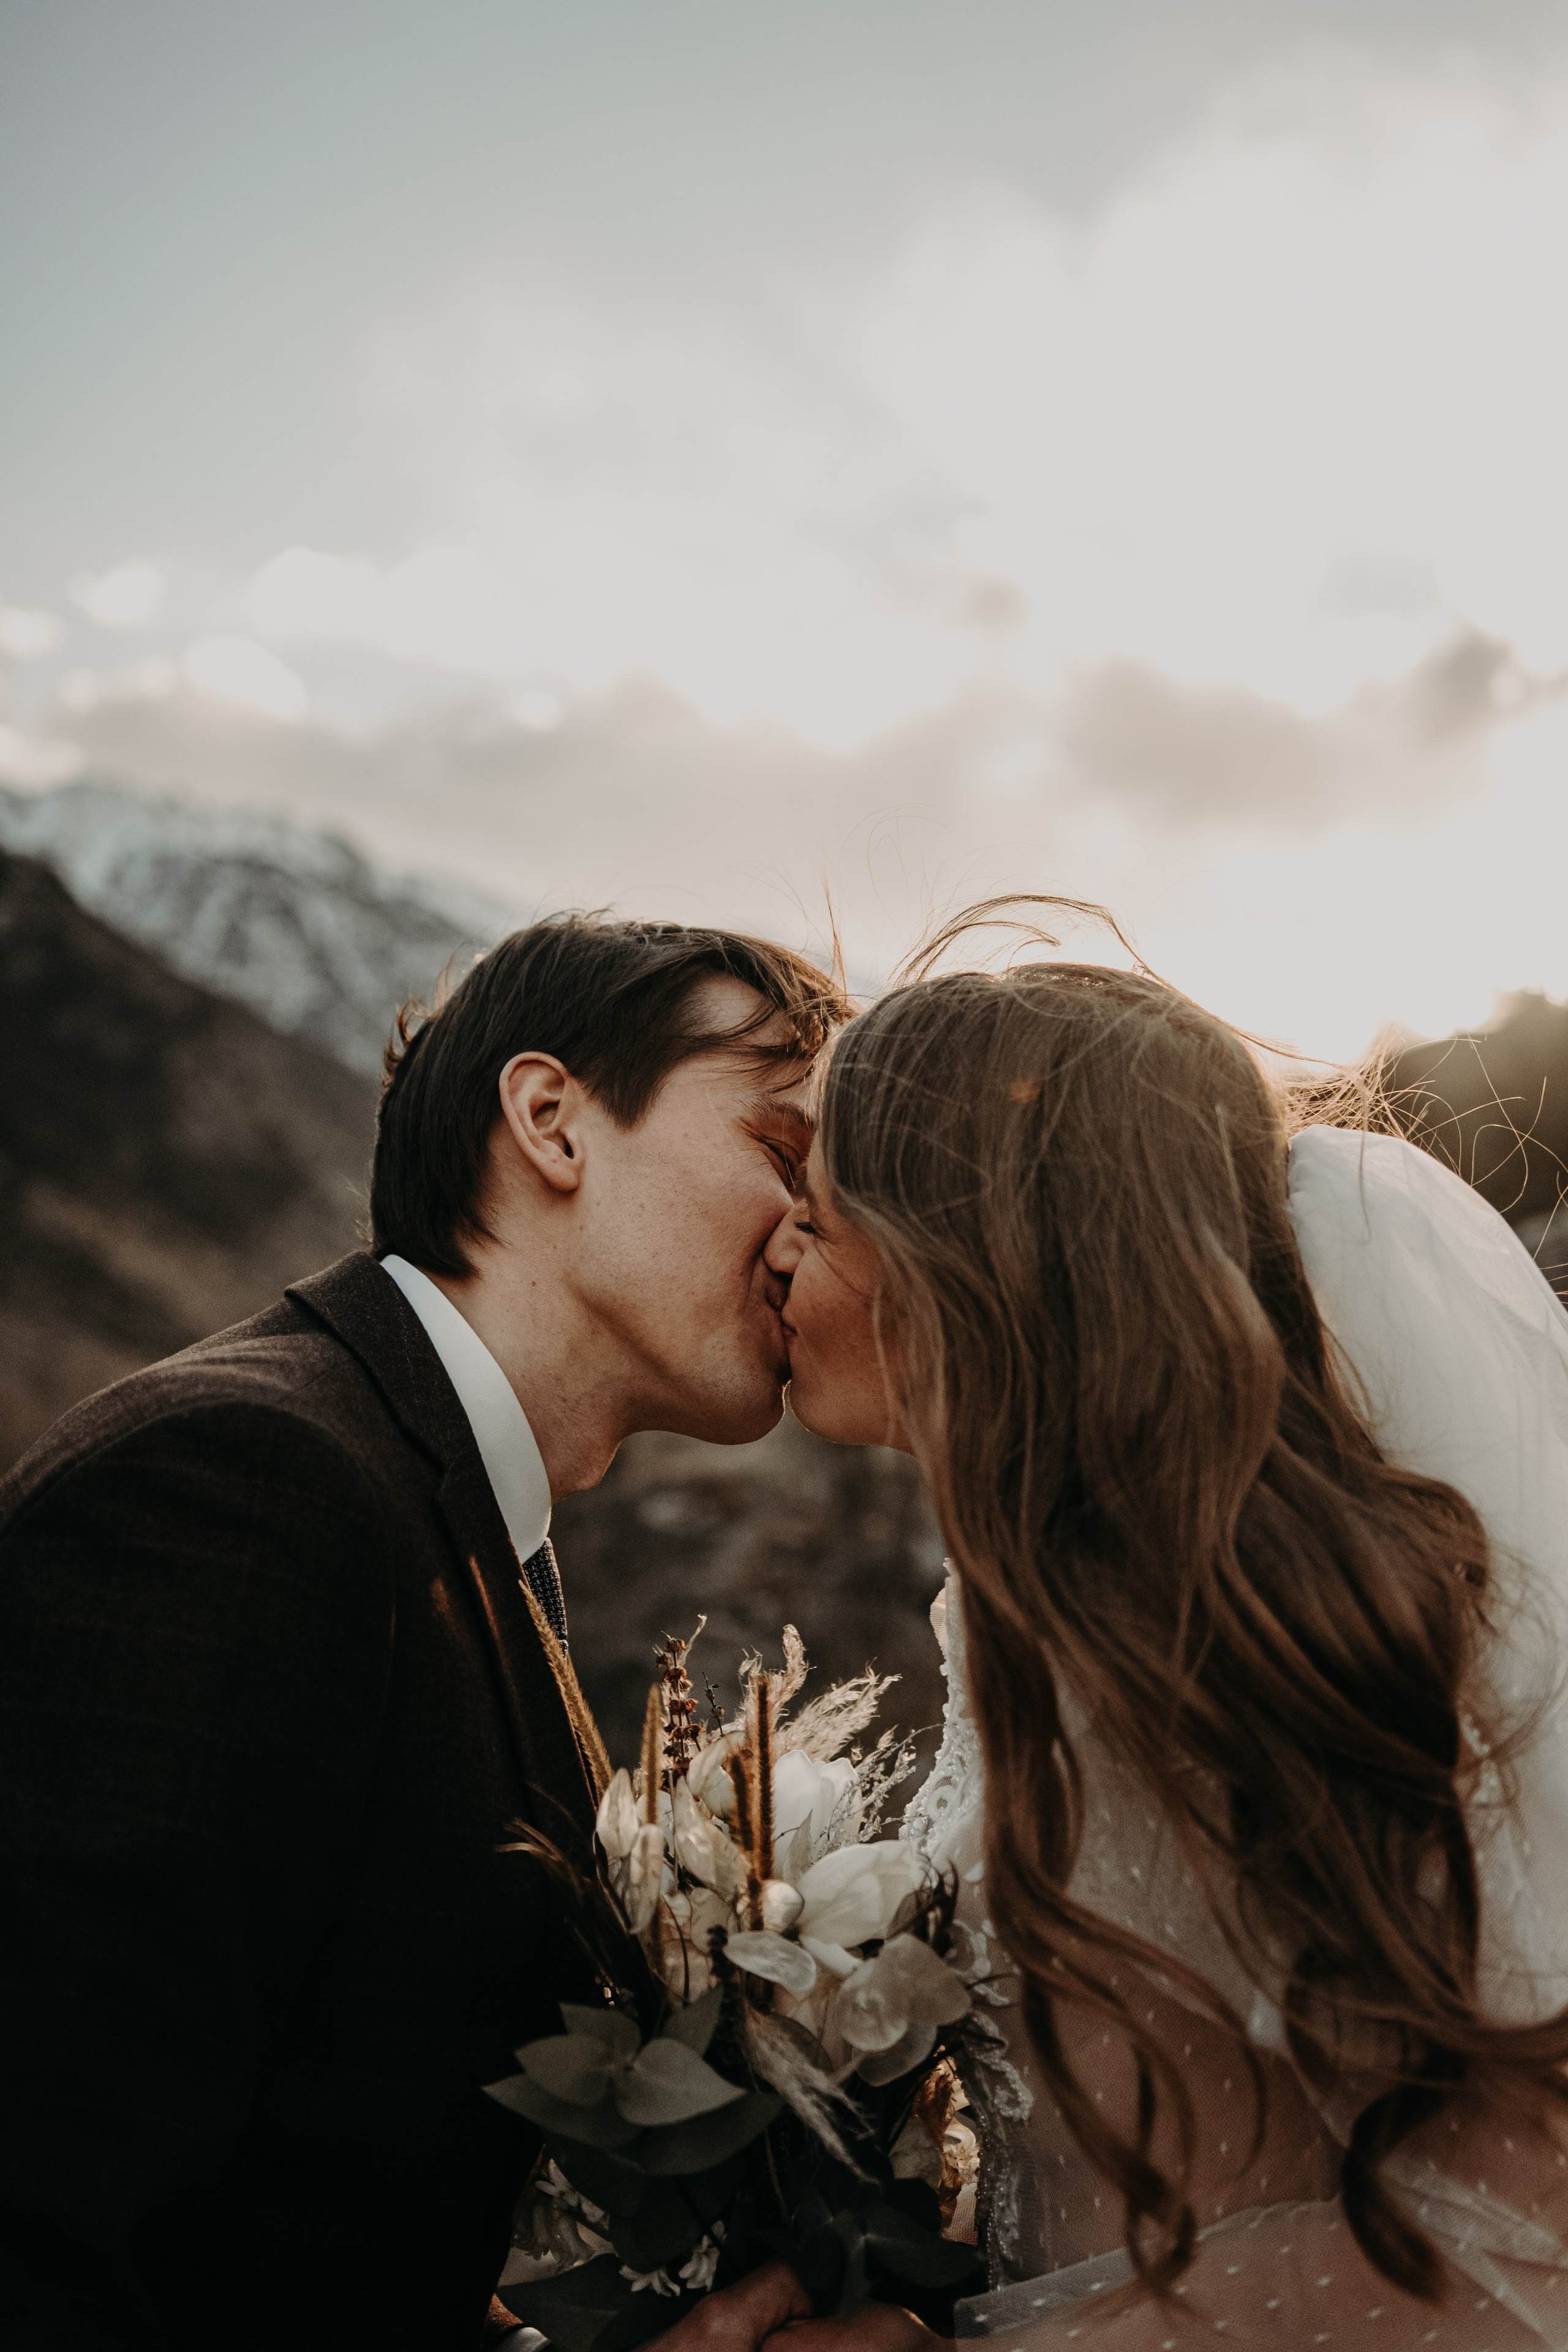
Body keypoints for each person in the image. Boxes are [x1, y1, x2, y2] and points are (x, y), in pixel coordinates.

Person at [677, 925, 1568, 2352]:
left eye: (821, 1204)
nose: (776, 1243)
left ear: (968, 1251)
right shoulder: (1021, 1609)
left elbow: (1522, 2234)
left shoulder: (1218, 1649)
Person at [0, 911, 848, 2352]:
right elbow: (52, 2227)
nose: (811, 1230)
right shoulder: (241, 1489)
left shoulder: (443, 1518)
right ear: (549, 1121)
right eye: (781, 1153)